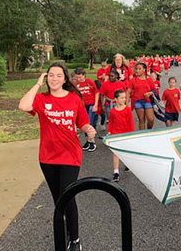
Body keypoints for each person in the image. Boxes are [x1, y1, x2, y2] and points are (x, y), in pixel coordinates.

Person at [18, 62, 96, 251]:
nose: (54, 79)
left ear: (65, 79)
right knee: (57, 199)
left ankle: (75, 239)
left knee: (67, 196)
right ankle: (63, 234)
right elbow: (23, 105)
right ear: (47, 78)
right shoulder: (41, 99)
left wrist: (89, 130)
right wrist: (37, 84)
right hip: (47, 157)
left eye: (58, 75)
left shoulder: (74, 99)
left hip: (70, 155)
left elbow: (83, 122)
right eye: (51, 75)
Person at [107, 90, 135, 182]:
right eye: (121, 98)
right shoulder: (112, 111)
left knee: (126, 151)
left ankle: (127, 164)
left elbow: (131, 123)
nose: (124, 99)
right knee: (115, 153)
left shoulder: (127, 109)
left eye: (124, 98)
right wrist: (109, 131)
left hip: (125, 134)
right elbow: (111, 122)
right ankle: (116, 172)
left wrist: (131, 134)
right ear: (116, 99)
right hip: (116, 135)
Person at [74, 67, 99, 152]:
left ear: (84, 75)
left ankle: (92, 141)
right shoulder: (76, 84)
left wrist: (95, 104)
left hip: (91, 104)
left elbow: (96, 92)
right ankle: (88, 140)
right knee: (83, 124)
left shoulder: (89, 82)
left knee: (90, 122)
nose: (79, 79)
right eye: (77, 77)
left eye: (80, 77)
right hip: (82, 106)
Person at [127, 62, 155, 130]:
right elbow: (128, 92)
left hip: (147, 101)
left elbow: (154, 90)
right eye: (136, 69)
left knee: (151, 119)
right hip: (137, 101)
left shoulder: (149, 79)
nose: (137, 71)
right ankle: (143, 136)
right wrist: (127, 104)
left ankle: (149, 131)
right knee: (141, 120)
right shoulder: (133, 80)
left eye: (140, 69)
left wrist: (149, 93)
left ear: (144, 70)